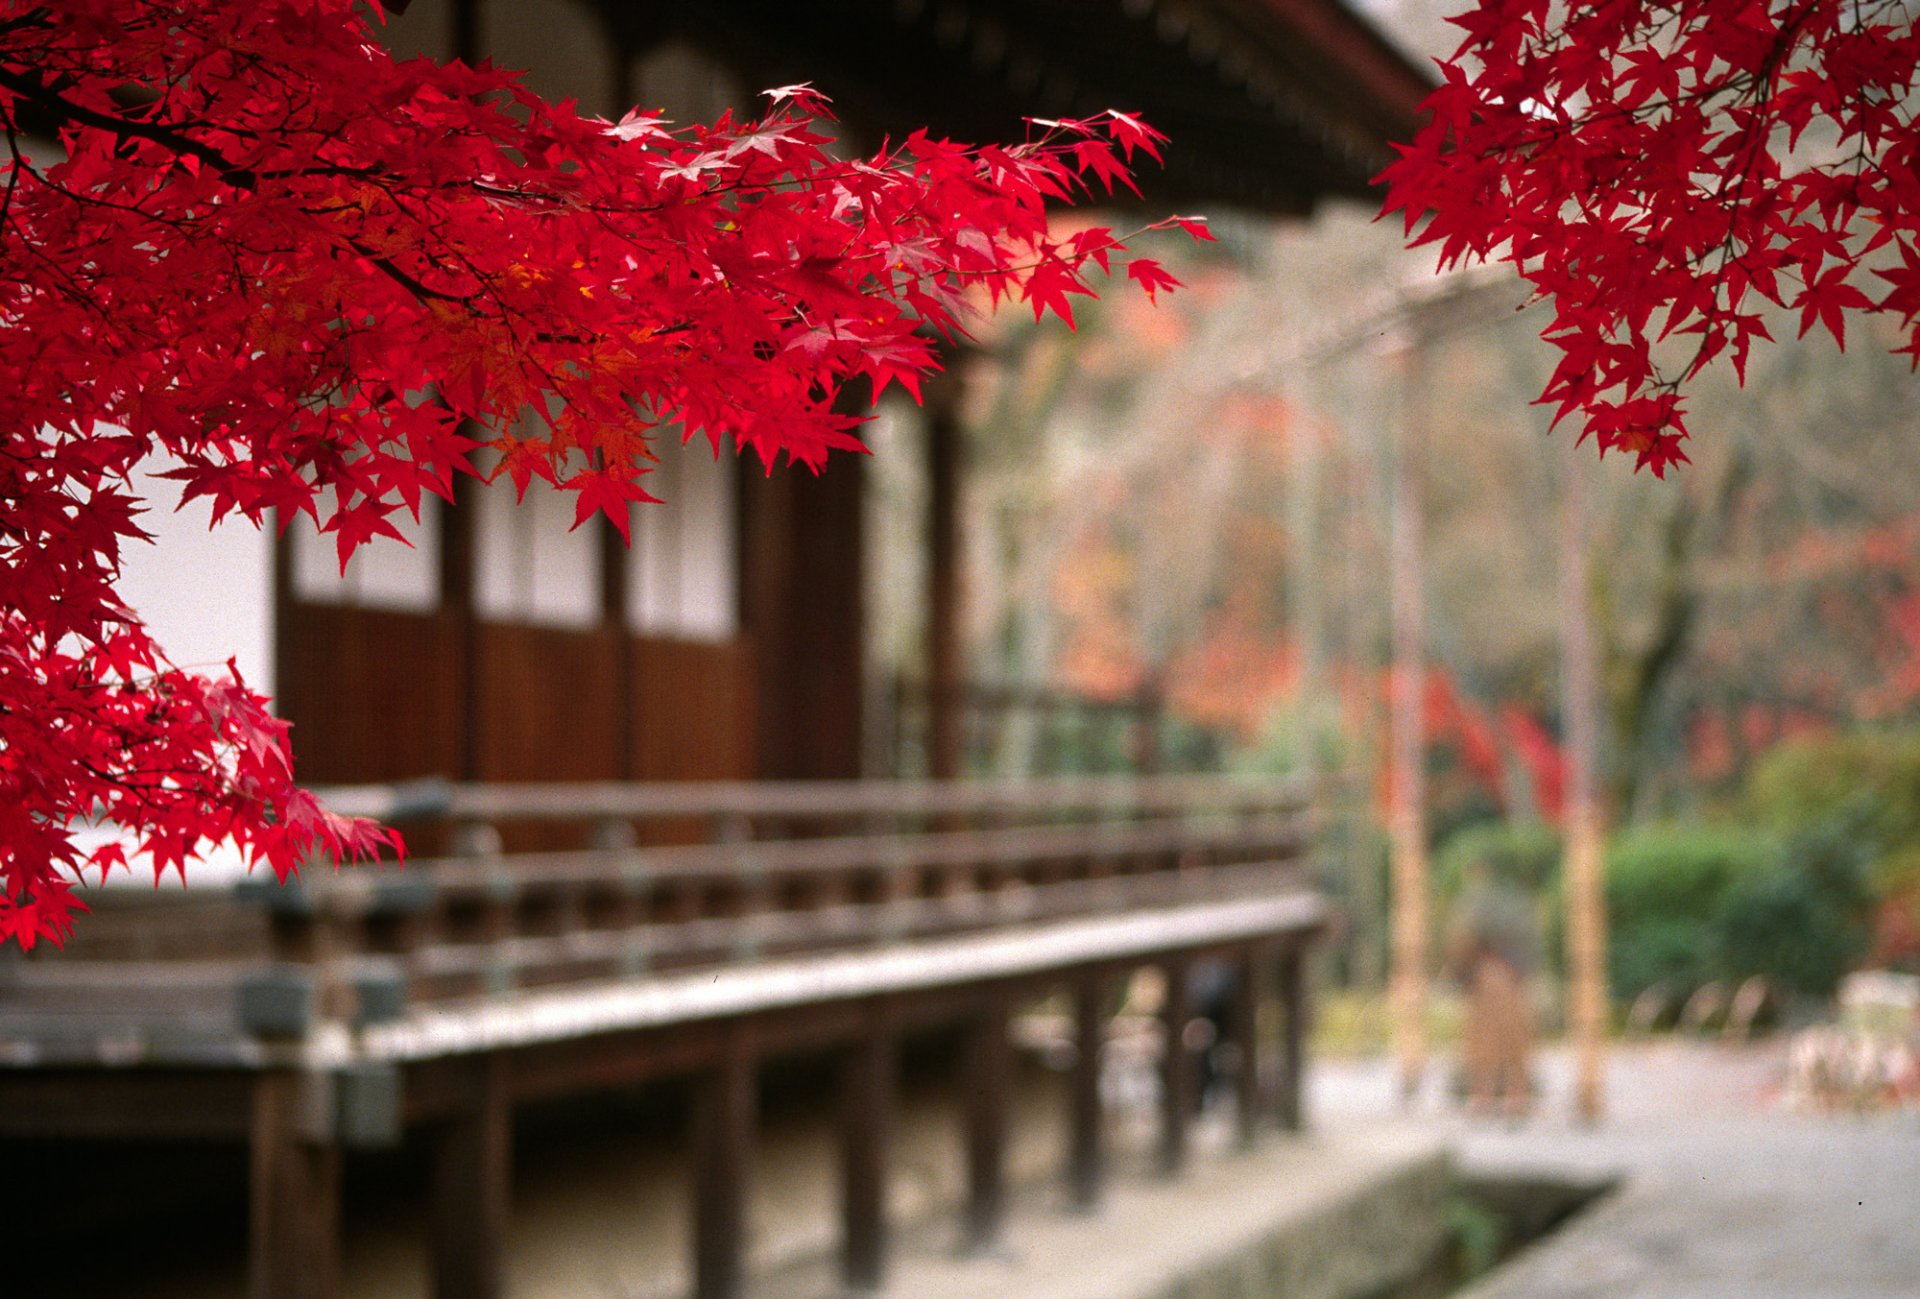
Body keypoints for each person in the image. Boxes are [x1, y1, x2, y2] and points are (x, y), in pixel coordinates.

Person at [1446, 861, 1540, 1118]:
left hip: (1494, 977)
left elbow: (1463, 943)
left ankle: (1502, 1096)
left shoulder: (1477, 906)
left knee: (1499, 1038)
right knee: (1490, 1039)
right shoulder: (1512, 904)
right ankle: (1498, 1096)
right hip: (1499, 978)